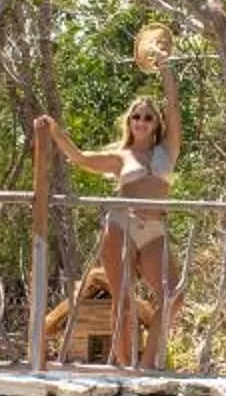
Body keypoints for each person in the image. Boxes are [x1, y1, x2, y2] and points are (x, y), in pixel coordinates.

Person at [32, 58, 183, 368]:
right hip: (121, 225)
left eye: (148, 117)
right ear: (129, 123)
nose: (141, 121)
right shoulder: (120, 156)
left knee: (173, 295)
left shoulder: (167, 150)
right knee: (123, 300)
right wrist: (56, 132)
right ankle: (126, 367)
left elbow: (174, 106)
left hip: (155, 229)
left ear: (157, 124)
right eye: (136, 117)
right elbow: (81, 158)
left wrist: (165, 69)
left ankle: (149, 364)